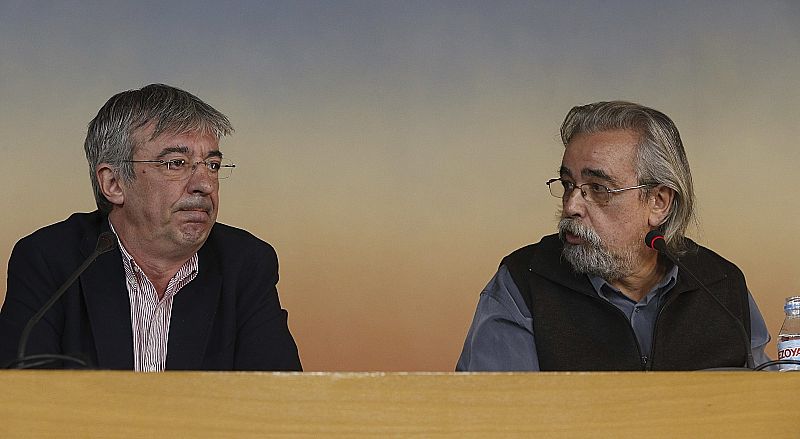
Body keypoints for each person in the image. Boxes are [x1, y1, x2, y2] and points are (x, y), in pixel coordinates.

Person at [0, 84, 302, 371]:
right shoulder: (50, 260)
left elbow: (280, 404)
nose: (205, 184)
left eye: (212, 165)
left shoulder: (246, 263)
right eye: (176, 163)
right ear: (114, 183)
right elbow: (21, 399)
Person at [457, 101, 770, 371]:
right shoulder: (523, 281)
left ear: (658, 202)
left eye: (598, 188)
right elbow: (494, 418)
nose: (572, 206)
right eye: (568, 184)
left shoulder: (720, 284)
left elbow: (769, 408)